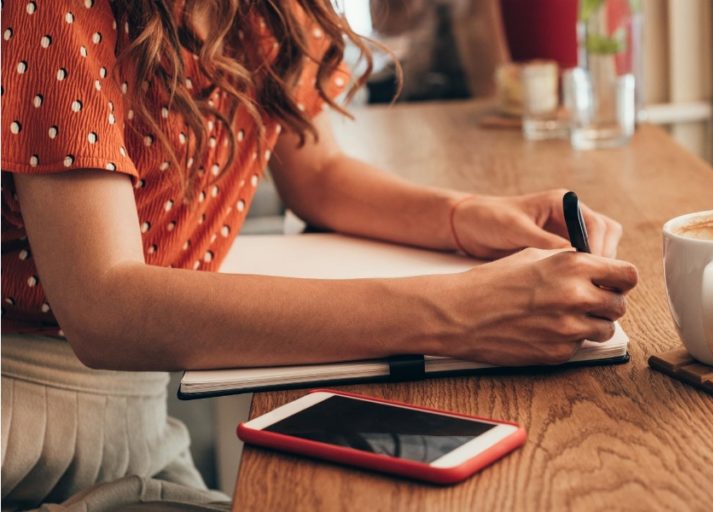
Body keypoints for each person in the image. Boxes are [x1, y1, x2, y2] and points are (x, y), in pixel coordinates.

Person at [0, 1, 637, 509]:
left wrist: (465, 217)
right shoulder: (53, 9)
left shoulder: (273, 9)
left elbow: (320, 172)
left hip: (136, 425)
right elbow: (103, 307)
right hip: (22, 438)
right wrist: (457, 314)